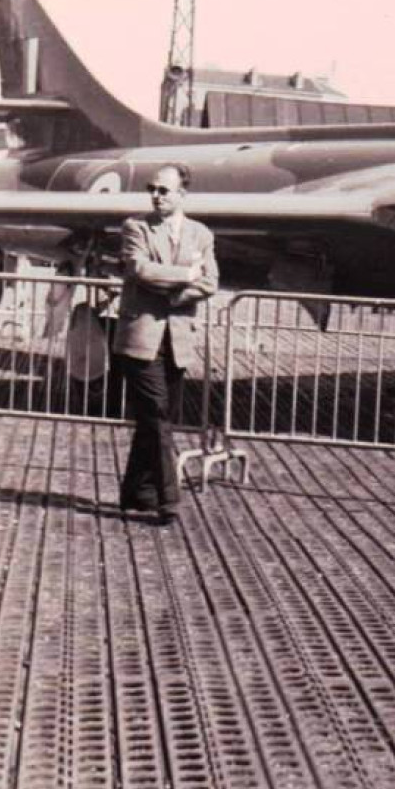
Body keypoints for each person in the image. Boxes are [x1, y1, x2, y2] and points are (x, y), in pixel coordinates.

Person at [113, 162, 219, 524]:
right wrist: (188, 274)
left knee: (153, 421)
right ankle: (167, 499)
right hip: (139, 338)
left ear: (182, 195)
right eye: (152, 189)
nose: (155, 196)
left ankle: (135, 493)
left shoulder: (201, 234)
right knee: (158, 416)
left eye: (163, 190)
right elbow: (140, 271)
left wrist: (176, 294)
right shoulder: (136, 227)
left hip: (176, 339)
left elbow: (211, 283)